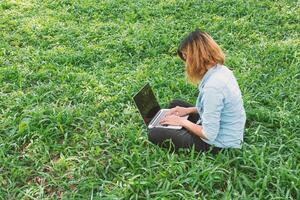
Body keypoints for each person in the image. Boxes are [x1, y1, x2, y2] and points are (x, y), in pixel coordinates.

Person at [148, 29, 246, 154]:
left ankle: (180, 127)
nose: (186, 64)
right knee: (176, 104)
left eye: (186, 58)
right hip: (228, 130)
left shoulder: (213, 88)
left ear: (196, 58)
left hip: (218, 144)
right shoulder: (221, 70)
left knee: (154, 134)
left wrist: (182, 121)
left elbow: (209, 134)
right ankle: (180, 126)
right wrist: (189, 110)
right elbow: (216, 108)